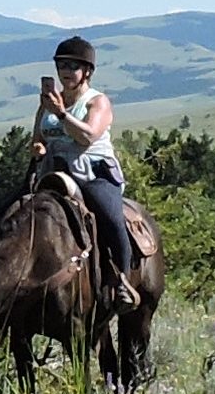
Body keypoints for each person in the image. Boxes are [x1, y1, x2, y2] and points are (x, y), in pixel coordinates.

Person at [29, 34, 141, 300]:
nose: (66, 72)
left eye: (73, 66)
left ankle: (122, 281)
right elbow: (38, 137)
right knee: (9, 211)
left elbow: (88, 135)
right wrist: (38, 148)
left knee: (112, 218)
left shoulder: (97, 102)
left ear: (87, 72)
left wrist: (61, 113)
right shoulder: (48, 103)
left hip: (92, 173)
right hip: (53, 172)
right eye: (62, 66)